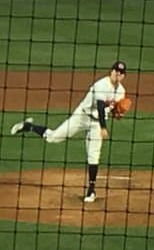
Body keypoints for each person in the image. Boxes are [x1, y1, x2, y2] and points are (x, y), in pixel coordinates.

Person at [10, 60, 128, 203]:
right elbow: (101, 107)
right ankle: (29, 126)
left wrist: (117, 115)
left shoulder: (121, 92)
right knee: (54, 137)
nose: (118, 74)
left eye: (121, 72)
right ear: (111, 71)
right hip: (82, 116)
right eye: (116, 70)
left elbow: (112, 110)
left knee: (94, 155)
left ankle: (91, 191)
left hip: (96, 124)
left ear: (123, 76)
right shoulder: (101, 85)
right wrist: (104, 127)